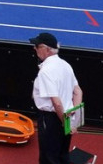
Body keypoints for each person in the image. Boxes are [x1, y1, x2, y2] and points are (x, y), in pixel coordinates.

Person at [30, 32, 81, 164]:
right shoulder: (66, 65)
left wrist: (65, 122)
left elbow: (56, 102)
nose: (34, 48)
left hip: (52, 119)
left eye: (37, 46)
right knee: (62, 154)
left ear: (46, 49)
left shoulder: (46, 71)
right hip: (66, 116)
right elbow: (78, 92)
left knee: (49, 157)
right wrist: (72, 121)